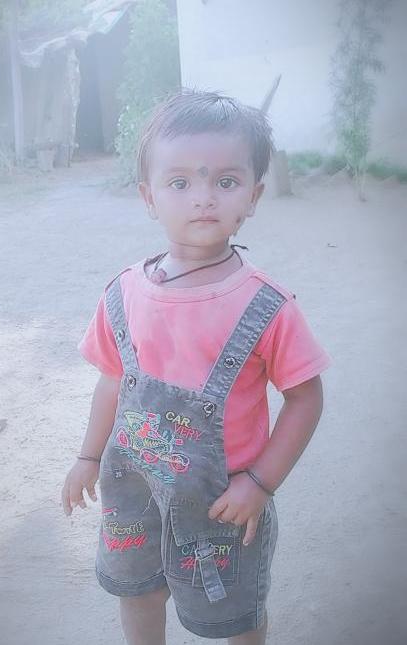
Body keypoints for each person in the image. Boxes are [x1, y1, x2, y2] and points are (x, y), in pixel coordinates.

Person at [61, 89, 330, 644]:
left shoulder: (266, 307)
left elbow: (306, 398)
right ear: (149, 196)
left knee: (234, 611)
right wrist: (88, 457)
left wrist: (261, 482)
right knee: (138, 592)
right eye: (180, 182)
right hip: (133, 486)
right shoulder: (123, 294)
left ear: (253, 196)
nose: (203, 198)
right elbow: (113, 379)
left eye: (226, 182)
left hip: (223, 503)